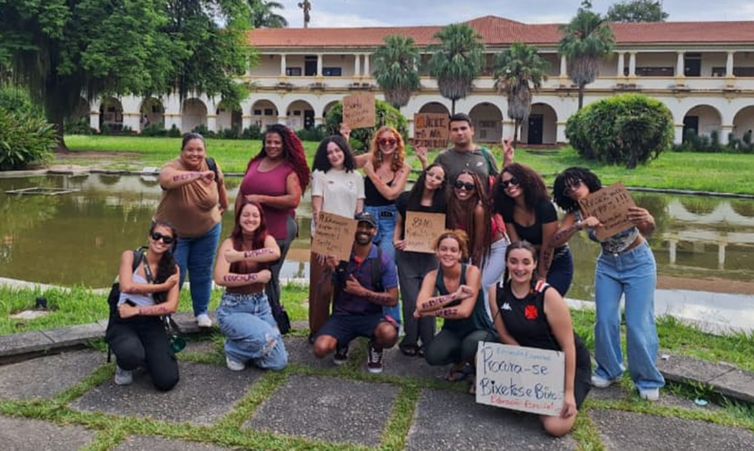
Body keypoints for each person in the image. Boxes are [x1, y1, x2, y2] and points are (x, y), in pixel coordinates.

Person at [552, 167, 664, 401]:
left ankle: (648, 379)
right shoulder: (576, 212)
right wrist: (578, 226)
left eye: (576, 183)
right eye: (567, 188)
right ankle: (609, 370)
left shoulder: (611, 196)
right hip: (608, 265)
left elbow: (649, 230)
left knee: (637, 322)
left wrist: (648, 219)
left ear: (587, 181)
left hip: (639, 261)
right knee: (605, 319)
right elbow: (555, 240)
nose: (573, 190)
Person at [488, 241, 592, 437]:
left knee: (554, 426)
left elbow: (569, 346)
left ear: (534, 264)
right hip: (530, 359)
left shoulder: (548, 295)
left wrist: (568, 393)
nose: (520, 268)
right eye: (514, 261)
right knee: (482, 359)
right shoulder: (496, 291)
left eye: (526, 262)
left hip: (565, 362)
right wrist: (525, 367)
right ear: (506, 263)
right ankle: (533, 399)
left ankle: (563, 398)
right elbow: (504, 335)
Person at [155, 133, 228, 327]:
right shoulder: (171, 167)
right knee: (173, 273)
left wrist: (224, 205)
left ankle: (202, 312)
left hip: (208, 230)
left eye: (199, 150)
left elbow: (220, 183)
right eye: (190, 150)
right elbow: (167, 181)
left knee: (203, 271)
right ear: (182, 151)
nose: (195, 154)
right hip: (174, 234)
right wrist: (198, 175)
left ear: (205, 151)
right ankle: (165, 312)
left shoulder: (211, 164)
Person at [237, 124, 310, 318]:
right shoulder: (255, 163)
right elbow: (242, 192)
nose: (272, 145)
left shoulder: (289, 169)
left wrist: (261, 199)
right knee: (249, 271)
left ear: (284, 145)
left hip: (279, 228)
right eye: (269, 141)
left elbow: (294, 200)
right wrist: (238, 220)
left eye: (277, 142)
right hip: (251, 228)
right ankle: (251, 314)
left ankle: (275, 316)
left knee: (268, 275)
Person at [313, 212, 399, 373]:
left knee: (389, 335)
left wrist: (363, 292)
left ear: (375, 231)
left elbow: (393, 299)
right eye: (360, 225)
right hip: (343, 316)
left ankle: (375, 346)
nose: (364, 230)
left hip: (371, 316)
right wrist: (330, 270)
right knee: (320, 349)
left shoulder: (384, 260)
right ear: (352, 229)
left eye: (369, 227)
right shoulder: (340, 255)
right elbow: (323, 294)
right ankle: (342, 343)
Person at [214, 200, 288, 371]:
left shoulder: (266, 239)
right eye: (246, 215)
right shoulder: (229, 243)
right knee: (266, 338)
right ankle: (233, 350)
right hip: (234, 308)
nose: (250, 219)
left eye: (255, 215)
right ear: (239, 218)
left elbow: (274, 253)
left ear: (261, 219)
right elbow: (220, 277)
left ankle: (245, 345)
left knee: (279, 363)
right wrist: (255, 277)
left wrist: (240, 256)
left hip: (261, 306)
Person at [416, 230, 494, 391]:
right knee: (433, 355)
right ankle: (460, 363)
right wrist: (453, 296)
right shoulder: (432, 276)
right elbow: (420, 305)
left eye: (453, 250)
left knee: (470, 344)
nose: (448, 254)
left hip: (478, 327)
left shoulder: (472, 272)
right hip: (453, 329)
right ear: (437, 252)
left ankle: (477, 372)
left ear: (460, 254)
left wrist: (430, 312)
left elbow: (464, 311)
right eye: (443, 249)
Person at [107, 221, 180, 391]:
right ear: (149, 237)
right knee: (131, 354)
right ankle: (124, 364)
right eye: (157, 236)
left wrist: (139, 310)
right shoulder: (131, 256)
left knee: (167, 380)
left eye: (167, 239)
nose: (161, 241)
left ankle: (149, 357)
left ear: (172, 244)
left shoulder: (173, 269)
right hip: (123, 319)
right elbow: (127, 286)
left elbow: (171, 306)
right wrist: (162, 287)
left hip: (150, 320)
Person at [309, 135, 365, 339]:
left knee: (343, 287)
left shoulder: (356, 177)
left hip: (348, 237)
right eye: (329, 152)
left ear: (345, 151)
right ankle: (317, 330)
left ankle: (340, 330)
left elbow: (359, 210)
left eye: (337, 150)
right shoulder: (320, 174)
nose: (334, 155)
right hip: (325, 236)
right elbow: (317, 209)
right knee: (321, 287)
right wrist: (323, 242)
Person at [493, 163, 573, 296]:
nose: (510, 186)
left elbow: (549, 246)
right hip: (527, 261)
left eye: (514, 181)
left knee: (548, 300)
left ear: (525, 180)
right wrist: (524, 271)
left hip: (556, 259)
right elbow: (516, 244)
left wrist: (541, 276)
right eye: (505, 184)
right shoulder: (507, 209)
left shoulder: (544, 207)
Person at [393, 163, 447, 356]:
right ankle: (410, 339)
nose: (433, 179)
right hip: (407, 256)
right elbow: (399, 224)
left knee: (429, 300)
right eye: (431, 174)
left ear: (442, 183)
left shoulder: (444, 204)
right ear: (425, 175)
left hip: (431, 258)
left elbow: (447, 232)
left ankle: (428, 340)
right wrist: (396, 241)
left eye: (438, 177)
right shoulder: (406, 198)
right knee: (410, 299)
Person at [361, 126, 410, 324]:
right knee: (365, 270)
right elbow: (343, 159)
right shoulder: (370, 159)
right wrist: (344, 138)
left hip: (390, 220)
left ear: (398, 143)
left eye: (392, 141)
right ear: (377, 143)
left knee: (386, 269)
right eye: (383, 141)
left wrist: (371, 174)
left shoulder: (403, 168)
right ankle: (369, 318)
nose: (388, 144)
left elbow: (391, 194)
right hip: (367, 219)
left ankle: (392, 321)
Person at [446, 170, 492, 268]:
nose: (463, 188)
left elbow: (478, 246)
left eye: (469, 186)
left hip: (492, 246)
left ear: (475, 190)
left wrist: (474, 271)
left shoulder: (478, 210)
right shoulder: (449, 203)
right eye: (459, 184)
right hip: (463, 249)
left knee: (484, 282)